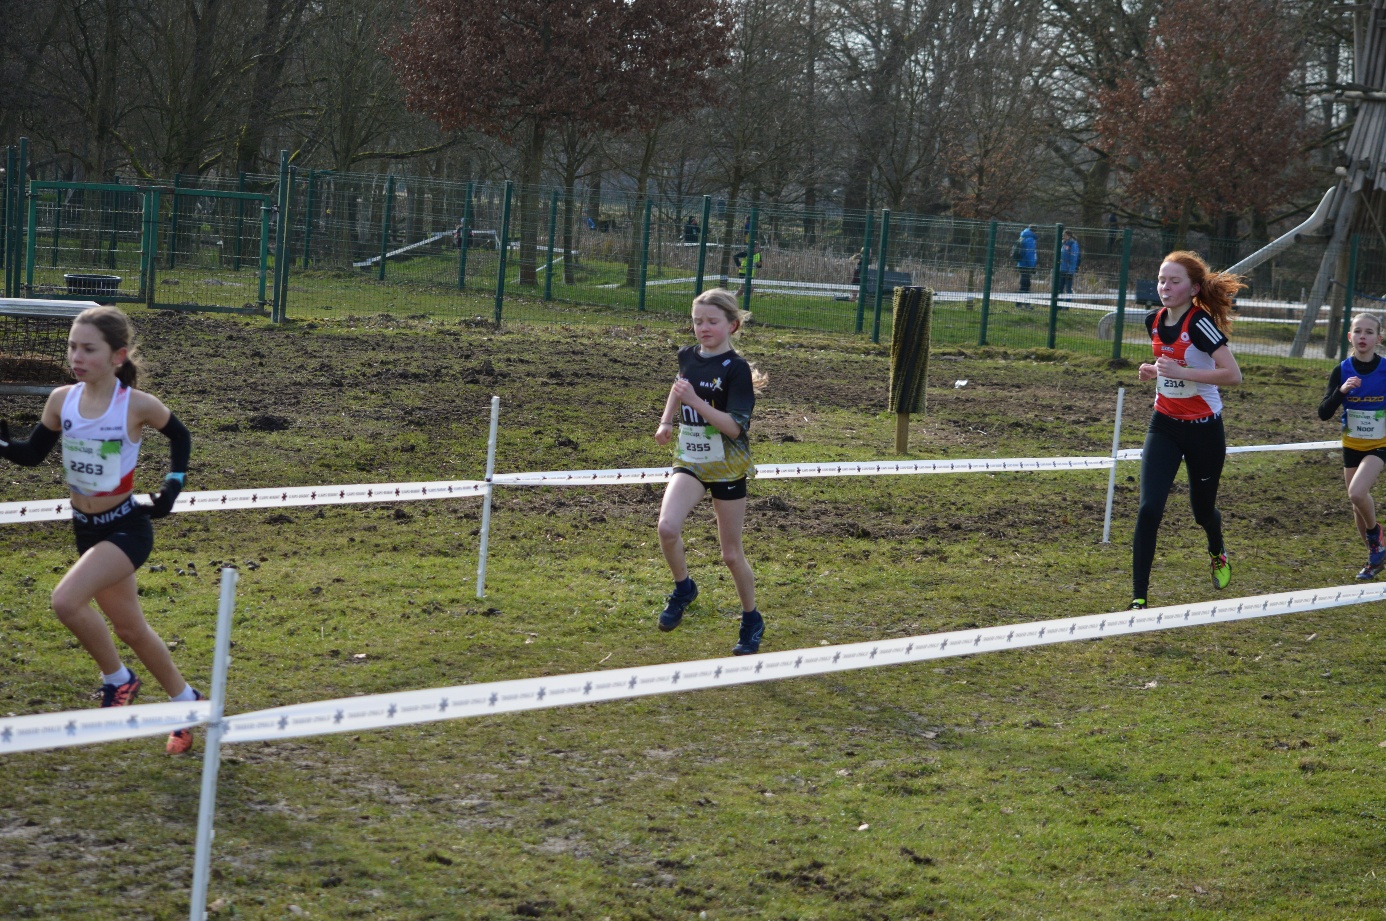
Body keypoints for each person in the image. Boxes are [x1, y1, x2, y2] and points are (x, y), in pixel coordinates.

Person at [0, 306, 200, 753]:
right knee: (131, 630)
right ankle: (188, 703)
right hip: (86, 529)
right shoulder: (61, 399)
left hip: (127, 527)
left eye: (89, 349)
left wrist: (173, 486)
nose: (77, 356)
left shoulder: (136, 405)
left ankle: (119, 680)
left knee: (66, 601)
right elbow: (33, 455)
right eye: (73, 346)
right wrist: (3, 445)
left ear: (117, 355)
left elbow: (181, 437)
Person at [652, 289, 769, 655]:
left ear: (732, 325)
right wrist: (666, 420)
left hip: (727, 466)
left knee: (731, 555)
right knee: (667, 528)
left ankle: (751, 618)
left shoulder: (736, 370)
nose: (703, 327)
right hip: (690, 460)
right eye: (697, 321)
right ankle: (683, 587)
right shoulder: (687, 356)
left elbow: (734, 428)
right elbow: (680, 385)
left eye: (712, 322)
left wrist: (696, 404)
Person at [1131, 251, 1244, 610]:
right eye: (1162, 279)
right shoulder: (1153, 320)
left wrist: (1182, 374)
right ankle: (1139, 598)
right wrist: (1154, 370)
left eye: (1174, 280)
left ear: (1193, 287)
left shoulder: (1200, 323)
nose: (1165, 286)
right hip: (1163, 423)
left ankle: (1216, 546)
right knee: (1149, 508)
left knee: (1201, 512)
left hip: (1204, 430)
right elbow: (1172, 364)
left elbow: (1233, 375)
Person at [1317, 312, 1386, 579]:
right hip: (1351, 444)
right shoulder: (1342, 370)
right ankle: (1374, 558)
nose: (1363, 336)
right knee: (1357, 505)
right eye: (1358, 331)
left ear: (1378, 338)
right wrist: (1341, 391)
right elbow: (1323, 412)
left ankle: (1376, 535)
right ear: (1350, 337)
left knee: (1357, 493)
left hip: (1379, 445)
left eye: (1369, 332)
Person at [1014, 226, 1037, 308]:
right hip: (1026, 265)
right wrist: (1032, 267)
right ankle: (1023, 303)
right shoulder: (1030, 239)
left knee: (1023, 284)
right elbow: (1030, 255)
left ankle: (1022, 303)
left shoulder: (1023, 236)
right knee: (1026, 284)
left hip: (1021, 264)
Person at [1059, 230, 1080, 296]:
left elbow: (1074, 259)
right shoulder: (1063, 244)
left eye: (1064, 235)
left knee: (1068, 288)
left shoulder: (1073, 245)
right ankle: (1059, 304)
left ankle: (1067, 305)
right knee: (1060, 287)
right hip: (1062, 268)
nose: (1063, 237)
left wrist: (1070, 271)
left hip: (1068, 270)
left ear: (1069, 236)